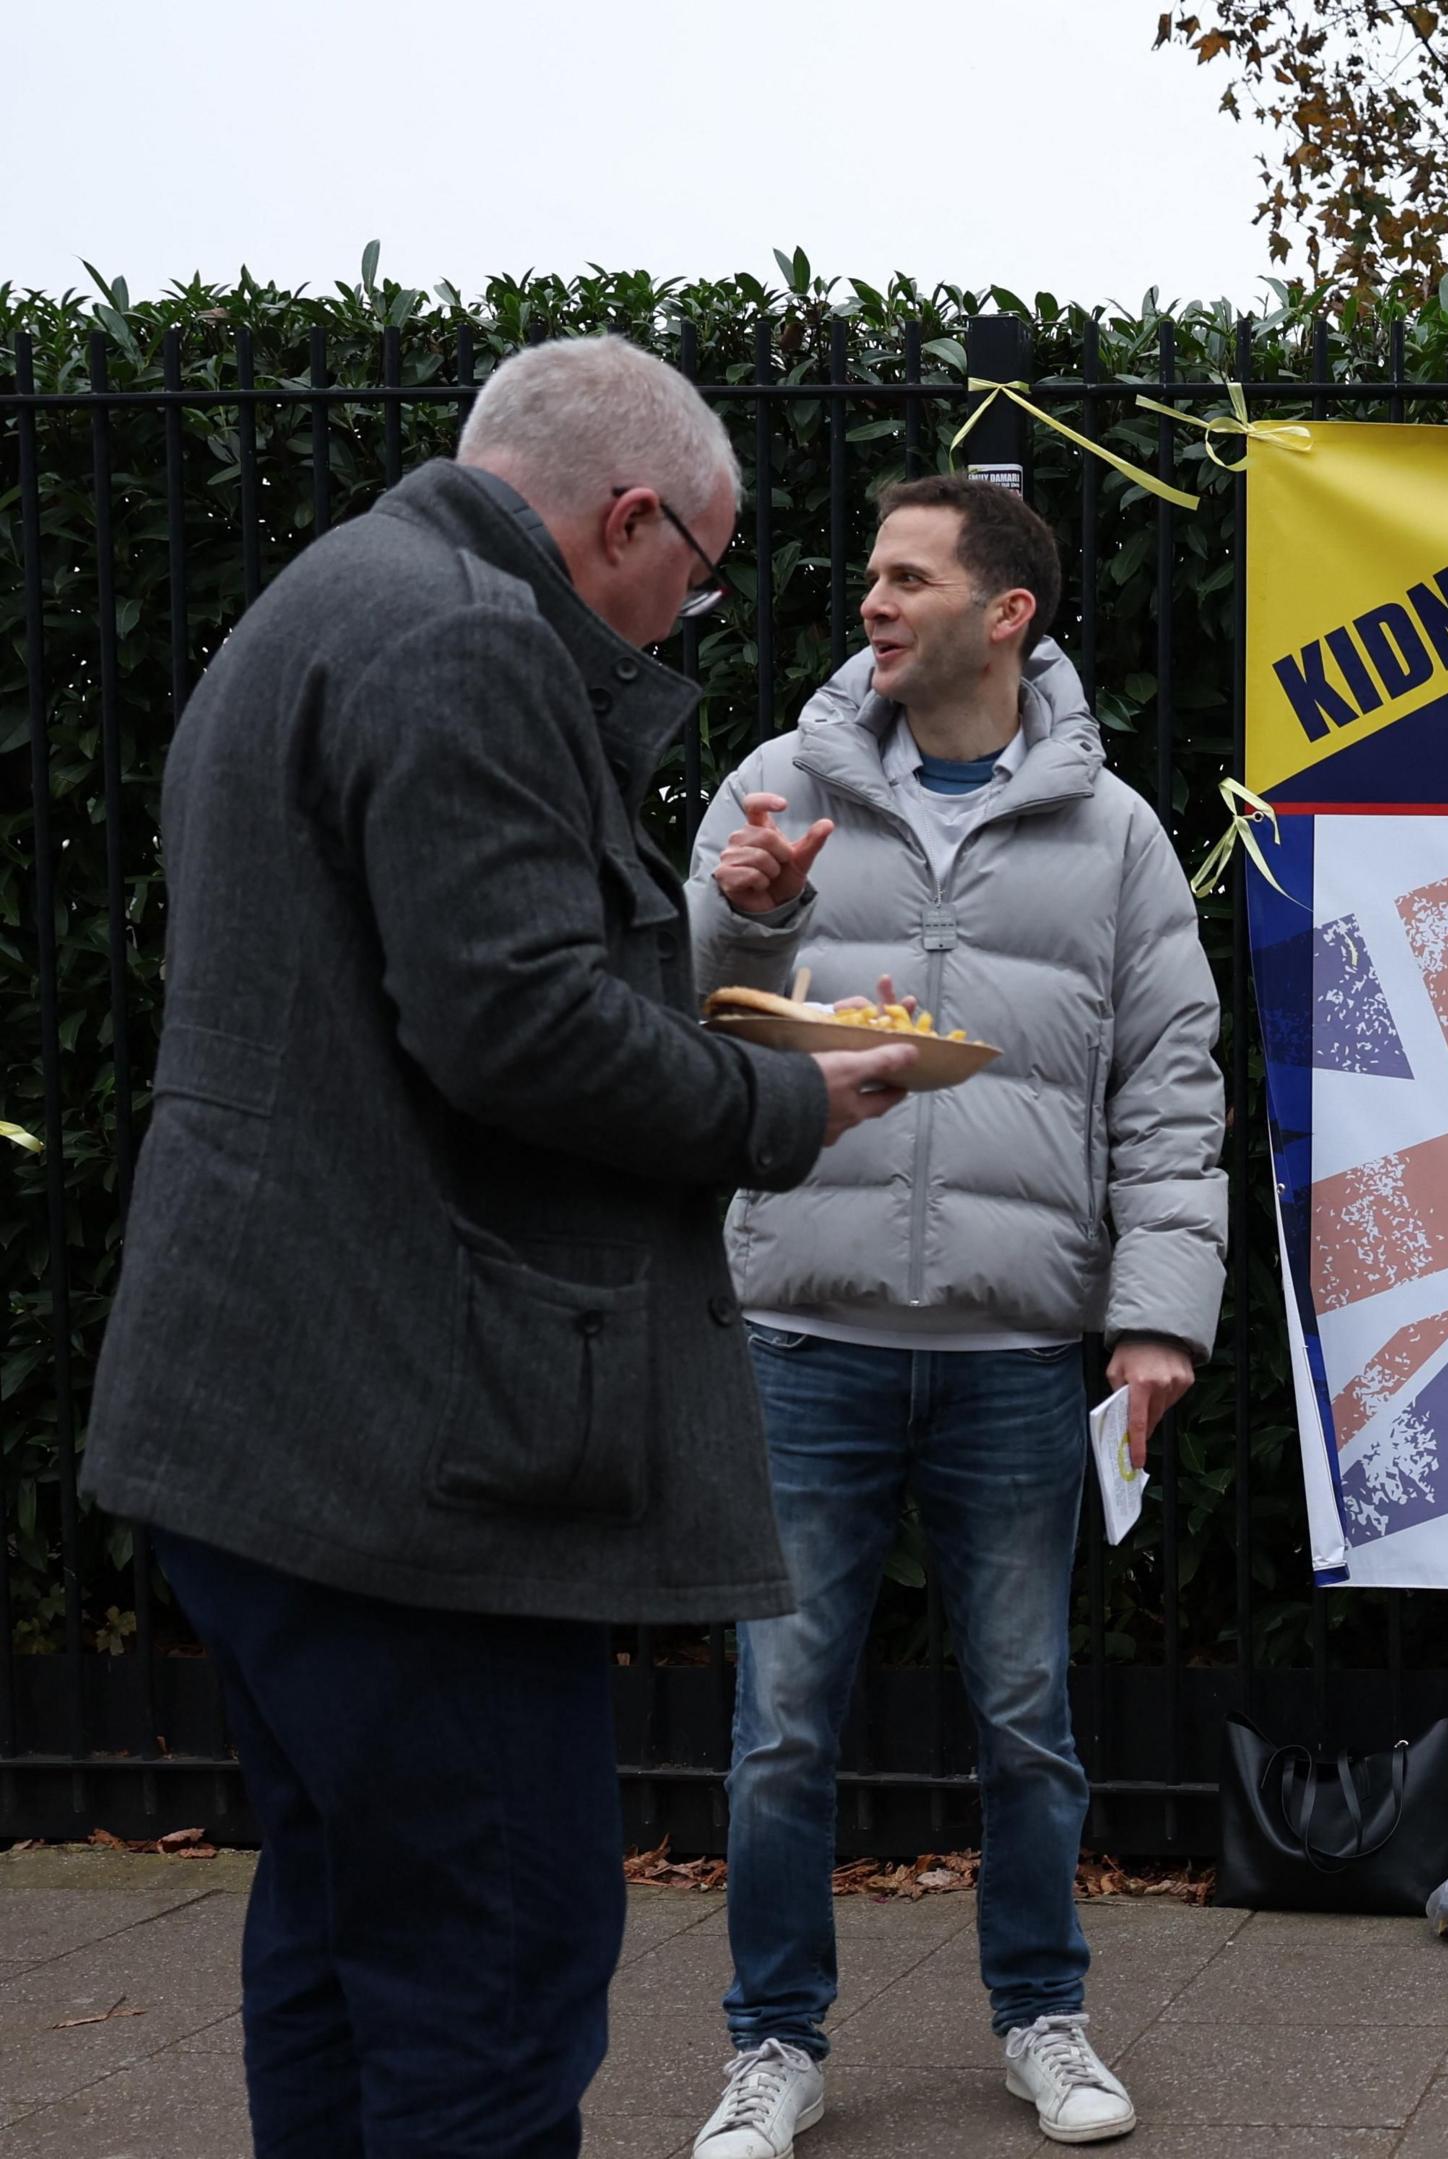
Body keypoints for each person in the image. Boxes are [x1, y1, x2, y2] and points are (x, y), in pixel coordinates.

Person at [78, 335, 917, 2158]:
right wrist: (792, 1103)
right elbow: (518, 1025)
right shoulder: (470, 639)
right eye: (701, 566)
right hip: (409, 1455)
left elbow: (429, 1000)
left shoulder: (331, 594)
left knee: (342, 1928)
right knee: (501, 1949)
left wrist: (712, 977)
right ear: (630, 516)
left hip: (271, 1421)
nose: (691, 611)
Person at [679, 476, 1224, 2154]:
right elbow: (675, 1007)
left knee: (1025, 1720)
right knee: (779, 1726)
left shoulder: (1116, 831)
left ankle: (1042, 2013)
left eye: (908, 576)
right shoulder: (776, 791)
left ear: (1012, 612)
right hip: (803, 1331)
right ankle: (774, 2041)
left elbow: (1171, 1086)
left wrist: (1157, 1320)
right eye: (866, 575)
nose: (871, 602)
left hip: (1009, 1348)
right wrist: (753, 901)